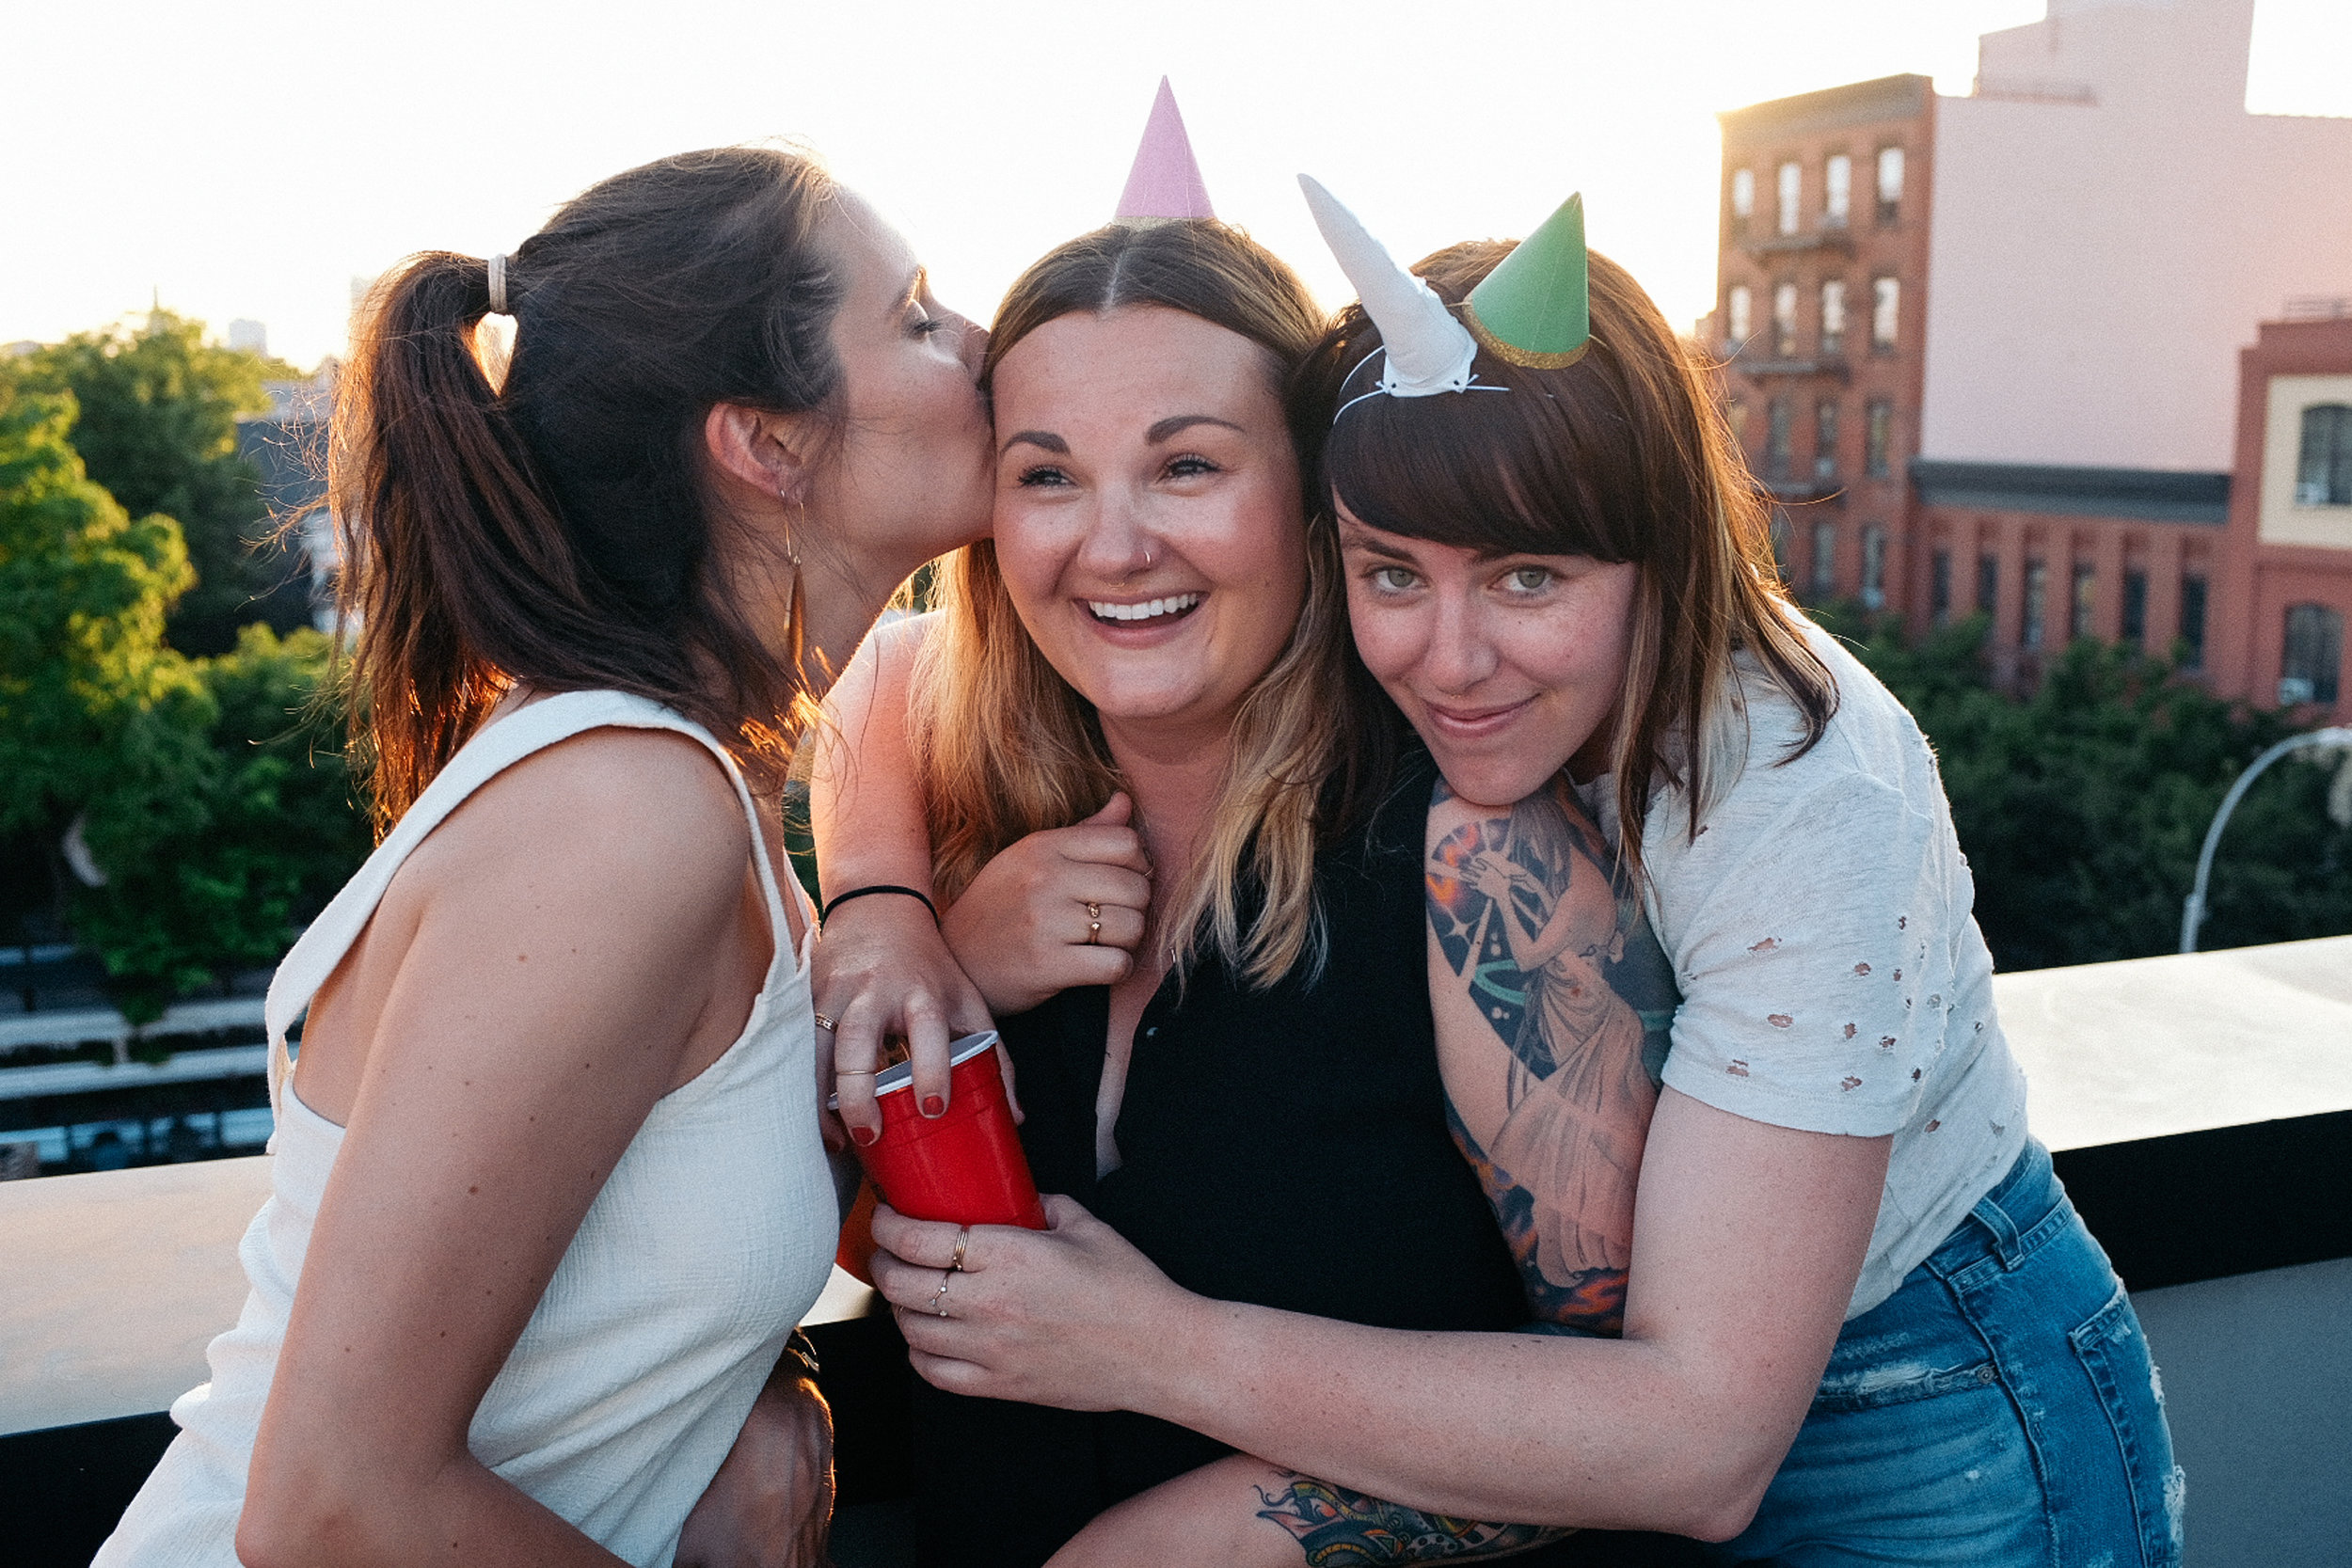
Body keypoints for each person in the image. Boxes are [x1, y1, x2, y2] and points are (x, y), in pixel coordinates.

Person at [864, 182, 2184, 1568]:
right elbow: (895, 668)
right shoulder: (1122, 711)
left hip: (1922, 1390)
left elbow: (1691, 1437)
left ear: (1655, 545)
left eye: (1529, 579)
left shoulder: (1794, 797)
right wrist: (890, 907)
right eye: (1394, 573)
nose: (1447, 657)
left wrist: (1155, 1382)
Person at [96, 145, 994, 1568]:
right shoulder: (622, 816)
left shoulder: (692, 776)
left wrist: (758, 1388)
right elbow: (330, 1505)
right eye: (924, 317)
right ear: (767, 444)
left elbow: (623, 1245)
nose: (986, 346)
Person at [806, 205, 1663, 1567]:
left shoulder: (1478, 867)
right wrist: (889, 913)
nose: (1115, 543)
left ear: (1317, 493)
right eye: (1046, 477)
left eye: (1188, 467)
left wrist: (1176, 1479)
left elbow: (1634, 1442)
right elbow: (880, 674)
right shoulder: (974, 805)